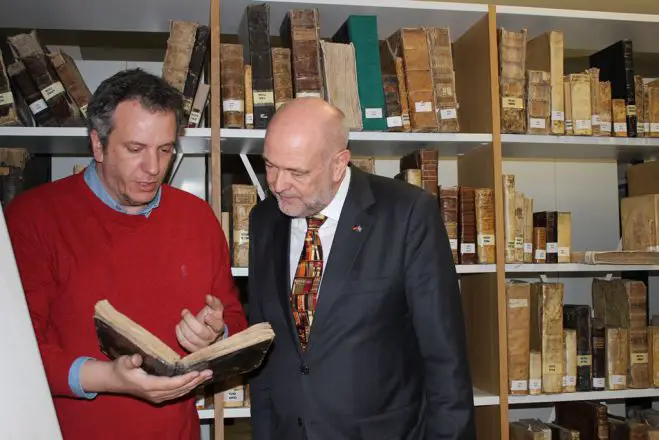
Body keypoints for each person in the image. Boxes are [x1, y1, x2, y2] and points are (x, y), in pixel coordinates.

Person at [4, 68, 247, 440]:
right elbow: (13, 353)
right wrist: (109, 378)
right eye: (135, 149)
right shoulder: (31, 219)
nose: (153, 168)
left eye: (165, 150)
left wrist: (217, 334)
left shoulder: (197, 217)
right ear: (98, 144)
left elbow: (234, 319)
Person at [247, 97, 477, 440]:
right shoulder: (264, 220)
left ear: (339, 164)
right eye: (270, 165)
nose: (278, 184)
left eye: (297, 172)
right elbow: (266, 345)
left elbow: (445, 361)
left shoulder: (408, 215)